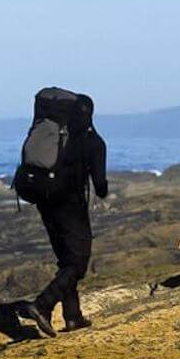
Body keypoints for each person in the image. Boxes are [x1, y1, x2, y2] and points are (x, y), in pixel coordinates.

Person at [18, 93, 108, 337]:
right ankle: (42, 305)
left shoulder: (56, 136)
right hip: (70, 204)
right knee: (77, 264)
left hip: (45, 198)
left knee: (66, 259)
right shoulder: (93, 142)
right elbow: (100, 187)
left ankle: (72, 317)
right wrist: (102, 185)